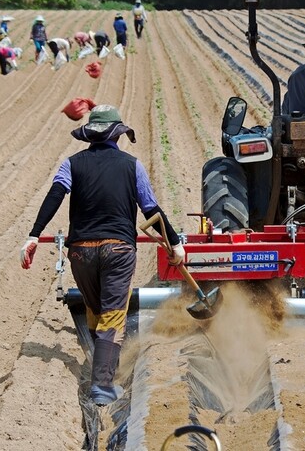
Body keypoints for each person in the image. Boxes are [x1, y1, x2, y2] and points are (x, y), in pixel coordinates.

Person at [20, 105, 186, 406]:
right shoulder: (132, 165)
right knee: (112, 315)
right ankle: (102, 386)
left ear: (90, 136)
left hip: (81, 251)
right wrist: (175, 243)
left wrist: (34, 234)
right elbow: (151, 209)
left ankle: (102, 364)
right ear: (117, 134)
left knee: (96, 309)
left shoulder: (71, 164)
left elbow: (55, 196)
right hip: (118, 250)